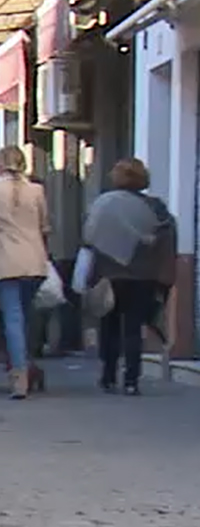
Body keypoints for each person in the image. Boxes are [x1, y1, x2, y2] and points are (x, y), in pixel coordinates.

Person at [84, 157, 178, 396]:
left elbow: (90, 237)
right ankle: (132, 380)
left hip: (110, 275)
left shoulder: (104, 204)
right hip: (143, 276)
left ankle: (108, 376)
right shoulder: (155, 207)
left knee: (110, 325)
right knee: (134, 328)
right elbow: (165, 236)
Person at [0, 145, 52, 399]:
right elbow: (45, 226)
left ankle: (18, 375)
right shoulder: (37, 191)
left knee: (12, 318)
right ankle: (26, 363)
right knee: (26, 315)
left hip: (5, 262)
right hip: (34, 262)